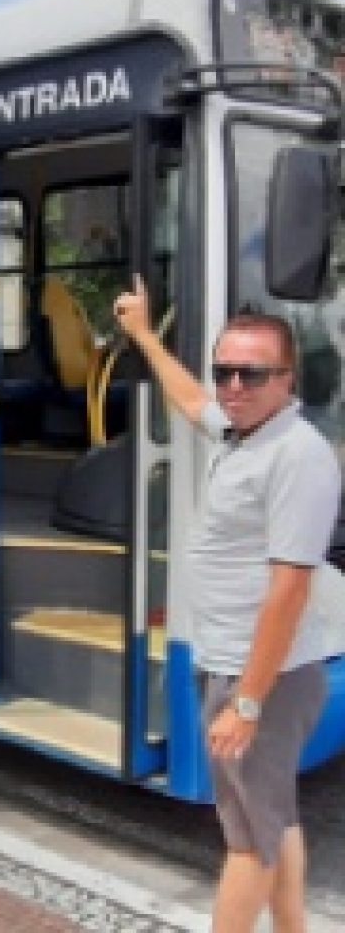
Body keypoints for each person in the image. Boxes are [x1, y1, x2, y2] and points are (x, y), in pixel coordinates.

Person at [114, 275, 340, 933]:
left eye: (251, 373)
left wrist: (246, 702)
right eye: (225, 371)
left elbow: (290, 590)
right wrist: (147, 338)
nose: (232, 386)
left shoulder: (297, 458)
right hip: (231, 661)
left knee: (246, 841)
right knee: (273, 817)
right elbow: (191, 401)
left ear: (288, 378)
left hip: (258, 676)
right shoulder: (246, 433)